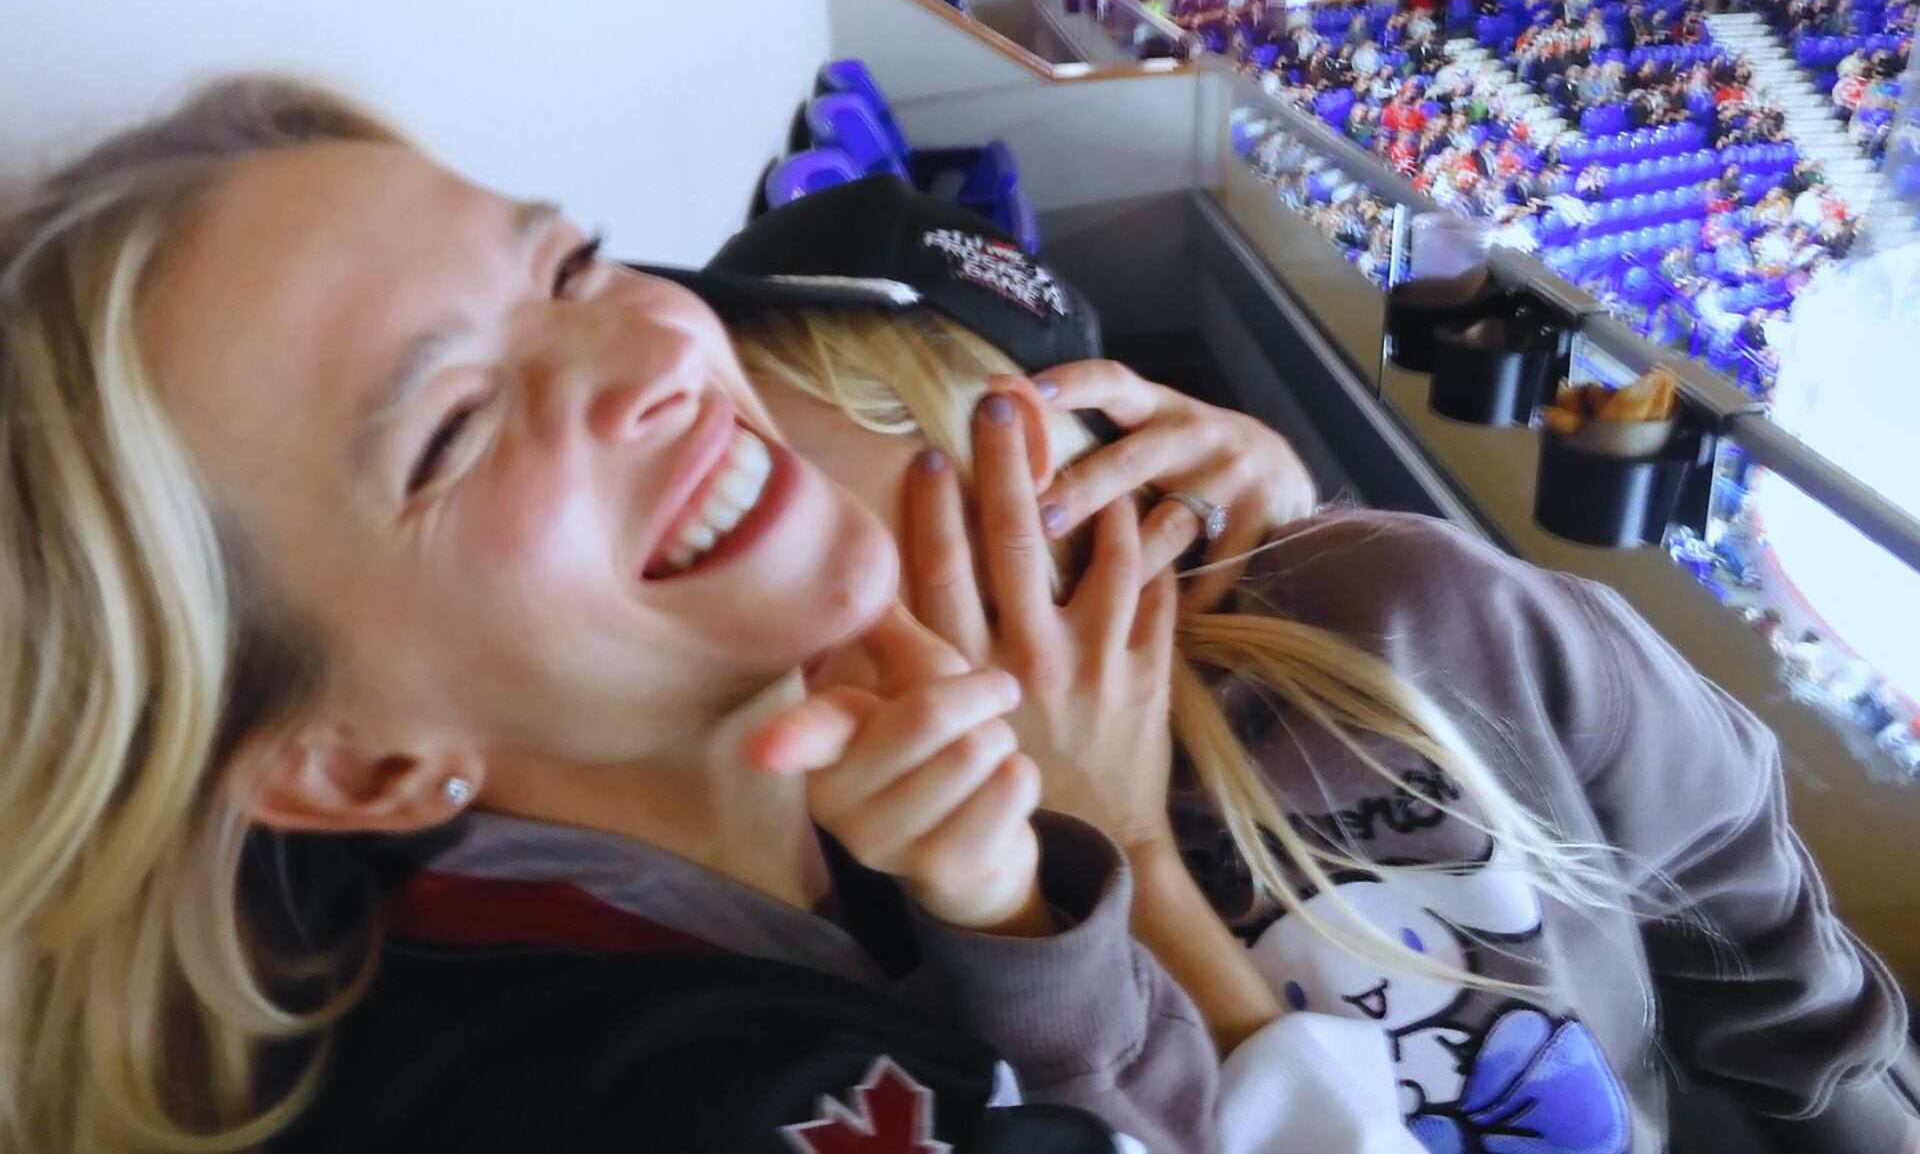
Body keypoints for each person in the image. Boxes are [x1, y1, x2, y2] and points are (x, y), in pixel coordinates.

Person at [0, 82, 1258, 1154]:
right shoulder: (640, 1097)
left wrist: (1006, 917)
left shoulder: (855, 785)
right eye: (451, 430)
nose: (649, 358)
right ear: (354, 764)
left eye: (570, 269)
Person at [708, 179, 1920, 1154]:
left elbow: (1728, 875)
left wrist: (1849, 1117)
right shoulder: (855, 872)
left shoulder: (1406, 616)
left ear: (1061, 464)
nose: (821, 592)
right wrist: (1038, 901)